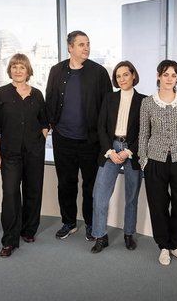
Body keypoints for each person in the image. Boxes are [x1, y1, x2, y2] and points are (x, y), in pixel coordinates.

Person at [45, 30, 112, 241]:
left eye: (88, 44)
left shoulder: (99, 72)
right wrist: (50, 125)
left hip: (90, 141)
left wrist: (105, 139)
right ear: (70, 48)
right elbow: (50, 99)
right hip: (63, 139)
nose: (86, 48)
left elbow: (107, 106)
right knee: (66, 183)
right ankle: (69, 222)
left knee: (90, 185)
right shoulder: (56, 71)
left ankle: (91, 224)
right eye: (81, 44)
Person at [138, 60, 177, 266]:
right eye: (166, 74)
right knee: (158, 205)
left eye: (173, 75)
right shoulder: (147, 103)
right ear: (158, 76)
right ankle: (163, 246)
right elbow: (143, 134)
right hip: (155, 160)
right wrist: (143, 160)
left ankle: (176, 245)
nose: (169, 78)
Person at [0, 54, 49, 258]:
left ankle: (29, 230)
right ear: (10, 70)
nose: (17, 70)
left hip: (34, 152)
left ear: (28, 71)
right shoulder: (0, 94)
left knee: (33, 191)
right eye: (14, 67)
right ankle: (9, 240)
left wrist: (40, 141)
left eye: (21, 67)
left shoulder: (37, 95)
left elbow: (44, 122)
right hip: (9, 153)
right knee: (10, 194)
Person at [90, 61, 146, 253]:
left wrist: (128, 151)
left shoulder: (144, 101)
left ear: (133, 75)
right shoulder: (109, 98)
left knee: (131, 196)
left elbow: (145, 132)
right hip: (111, 148)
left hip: (133, 150)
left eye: (125, 74)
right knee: (99, 195)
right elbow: (101, 127)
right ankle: (100, 236)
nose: (122, 79)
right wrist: (110, 151)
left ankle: (129, 234)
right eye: (118, 76)